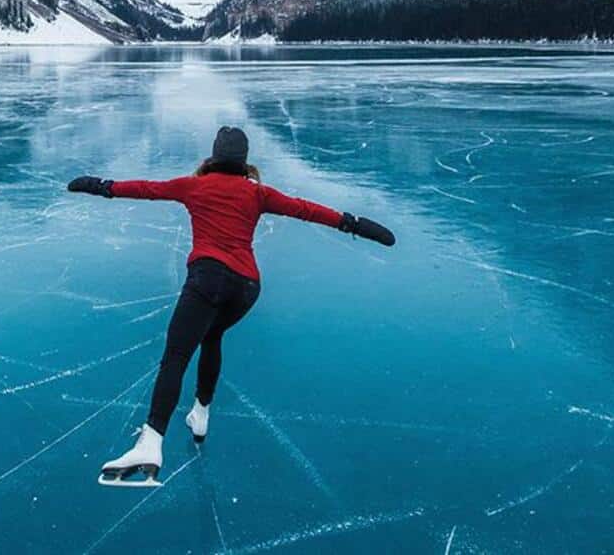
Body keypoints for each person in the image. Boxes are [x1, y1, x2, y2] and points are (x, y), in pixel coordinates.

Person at [66, 125, 396, 486]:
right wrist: (357, 224)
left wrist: (100, 186)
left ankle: (151, 442)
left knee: (176, 355)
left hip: (208, 280)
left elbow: (146, 189)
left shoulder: (195, 185)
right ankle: (201, 413)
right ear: (243, 160)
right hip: (246, 289)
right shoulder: (257, 193)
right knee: (212, 336)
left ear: (214, 156)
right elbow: (306, 210)